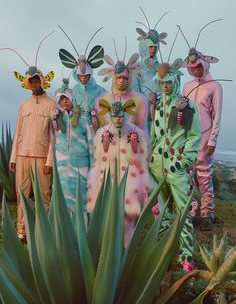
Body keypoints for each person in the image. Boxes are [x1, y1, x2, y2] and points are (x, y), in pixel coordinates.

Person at [149, 60, 200, 272]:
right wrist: (151, 157)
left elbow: (194, 136)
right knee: (160, 212)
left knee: (183, 211)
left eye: (168, 82)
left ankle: (186, 255)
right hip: (157, 167)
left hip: (176, 167)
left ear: (176, 80)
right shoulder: (159, 104)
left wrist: (183, 161)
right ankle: (162, 252)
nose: (165, 86)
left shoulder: (186, 105)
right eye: (161, 83)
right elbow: (154, 133)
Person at [87, 99, 150, 247]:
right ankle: (106, 251)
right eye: (114, 116)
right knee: (107, 219)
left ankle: (128, 253)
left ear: (125, 115)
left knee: (127, 221)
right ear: (110, 115)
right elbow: (97, 160)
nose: (117, 119)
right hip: (107, 182)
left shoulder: (136, 133)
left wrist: (134, 148)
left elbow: (142, 159)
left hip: (129, 183)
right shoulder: (101, 133)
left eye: (120, 116)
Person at [9, 68, 55, 243]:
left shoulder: (51, 105)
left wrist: (50, 159)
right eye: (31, 81)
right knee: (22, 194)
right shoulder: (23, 105)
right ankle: (22, 231)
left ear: (42, 81)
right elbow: (18, 132)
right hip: (22, 155)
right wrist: (13, 157)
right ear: (28, 83)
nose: (34, 84)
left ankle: (45, 229)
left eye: (36, 81)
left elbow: (53, 136)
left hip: (42, 156)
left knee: (44, 194)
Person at [182, 49, 223, 231]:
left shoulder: (215, 86)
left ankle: (208, 213)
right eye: (193, 67)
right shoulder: (187, 86)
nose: (197, 70)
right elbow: (181, 113)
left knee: (204, 177)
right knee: (188, 175)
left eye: (199, 66)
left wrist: (212, 140)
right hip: (188, 137)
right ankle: (191, 211)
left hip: (205, 137)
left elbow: (217, 115)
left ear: (204, 65)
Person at [51, 78, 93, 213]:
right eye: (61, 99)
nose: (64, 101)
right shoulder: (58, 119)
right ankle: (64, 232)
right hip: (62, 166)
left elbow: (91, 144)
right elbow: (54, 142)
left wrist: (93, 167)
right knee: (62, 197)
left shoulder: (83, 120)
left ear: (72, 99)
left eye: (67, 98)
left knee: (81, 199)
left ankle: (82, 230)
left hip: (81, 166)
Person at [96, 49, 148, 132]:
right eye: (119, 77)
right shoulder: (103, 99)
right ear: (114, 78)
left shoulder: (140, 100)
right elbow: (101, 129)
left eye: (125, 78)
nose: (121, 81)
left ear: (129, 78)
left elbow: (142, 128)